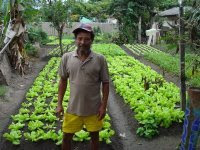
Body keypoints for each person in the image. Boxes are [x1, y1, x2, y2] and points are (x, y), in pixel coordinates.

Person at [56, 23, 109, 150]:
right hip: (73, 108)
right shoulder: (67, 58)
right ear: (75, 39)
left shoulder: (100, 59)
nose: (83, 42)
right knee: (66, 137)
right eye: (80, 38)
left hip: (94, 110)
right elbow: (63, 81)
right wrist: (59, 104)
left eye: (86, 39)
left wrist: (103, 106)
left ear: (91, 40)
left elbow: (105, 83)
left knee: (95, 137)